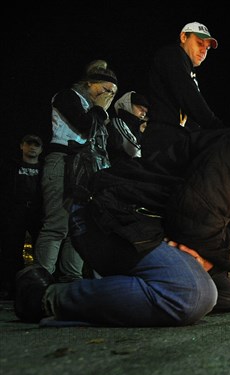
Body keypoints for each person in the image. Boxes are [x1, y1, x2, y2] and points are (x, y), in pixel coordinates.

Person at [14, 129, 230, 326]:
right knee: (193, 294)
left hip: (170, 231)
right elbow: (194, 220)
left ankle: (148, 288)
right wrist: (213, 248)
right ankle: (49, 298)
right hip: (113, 214)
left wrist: (212, 257)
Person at [33, 60, 117, 282]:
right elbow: (84, 124)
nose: (109, 95)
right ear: (90, 83)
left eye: (113, 92)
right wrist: (99, 109)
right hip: (63, 160)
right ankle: (39, 282)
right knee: (57, 224)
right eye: (105, 89)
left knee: (77, 226)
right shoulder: (67, 97)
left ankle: (71, 280)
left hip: (86, 167)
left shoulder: (97, 110)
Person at [142, 22, 225, 176]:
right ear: (183, 37)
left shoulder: (188, 68)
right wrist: (218, 127)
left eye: (207, 48)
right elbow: (189, 97)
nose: (203, 50)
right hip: (164, 140)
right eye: (199, 43)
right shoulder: (172, 54)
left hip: (178, 141)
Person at [0, 135, 44, 299]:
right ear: (22, 146)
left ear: (41, 149)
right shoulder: (11, 166)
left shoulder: (45, 167)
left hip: (36, 211)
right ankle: (11, 287)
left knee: (40, 247)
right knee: (11, 249)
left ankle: (39, 284)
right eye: (29, 144)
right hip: (15, 211)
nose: (32, 147)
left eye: (36, 145)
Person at [106, 91, 150, 163]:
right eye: (141, 109)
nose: (143, 114)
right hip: (119, 168)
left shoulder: (138, 127)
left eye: (145, 112)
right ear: (128, 104)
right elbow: (133, 150)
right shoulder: (118, 121)